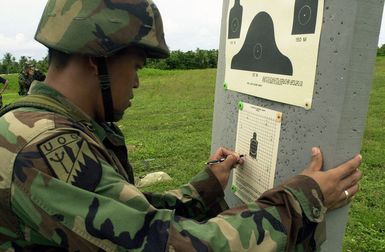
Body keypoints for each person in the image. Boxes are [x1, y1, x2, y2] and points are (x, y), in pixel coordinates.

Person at [0, 0, 362, 251]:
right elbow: (171, 245)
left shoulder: (35, 125)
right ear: (98, 60)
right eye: (137, 67)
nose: (138, 83)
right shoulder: (43, 149)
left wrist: (205, 189)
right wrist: (300, 200)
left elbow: (126, 212)